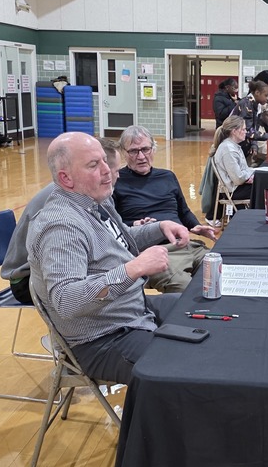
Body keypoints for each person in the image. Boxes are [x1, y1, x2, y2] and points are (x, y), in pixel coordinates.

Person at [27, 132, 189, 392]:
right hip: (101, 338)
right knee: (180, 368)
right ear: (65, 178)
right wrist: (133, 269)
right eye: (93, 165)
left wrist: (160, 227)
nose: (108, 171)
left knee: (195, 308)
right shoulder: (62, 226)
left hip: (127, 311)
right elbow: (66, 300)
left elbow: (115, 240)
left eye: (105, 161)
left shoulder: (93, 201)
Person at [1, 136, 123, 304]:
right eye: (95, 164)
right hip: (26, 278)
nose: (112, 173)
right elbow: (65, 293)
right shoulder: (60, 209)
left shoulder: (91, 191)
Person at [113, 126, 218, 292]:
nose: (141, 156)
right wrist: (134, 224)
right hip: (155, 252)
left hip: (186, 244)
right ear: (123, 153)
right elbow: (111, 227)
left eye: (145, 149)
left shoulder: (167, 176)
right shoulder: (115, 182)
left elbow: (183, 211)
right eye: (133, 151)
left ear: (153, 149)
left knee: (220, 273)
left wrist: (195, 226)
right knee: (187, 289)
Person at [211, 116, 254, 216]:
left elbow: (244, 171)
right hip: (233, 191)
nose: (246, 132)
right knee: (264, 188)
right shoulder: (228, 150)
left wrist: (250, 174)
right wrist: (250, 175)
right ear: (234, 131)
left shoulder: (233, 146)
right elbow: (238, 179)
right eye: (243, 129)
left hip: (237, 187)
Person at [232, 79, 268, 159]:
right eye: (266, 95)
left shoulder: (256, 106)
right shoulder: (246, 104)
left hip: (242, 143)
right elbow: (247, 130)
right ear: (257, 93)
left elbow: (254, 128)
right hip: (234, 143)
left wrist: (254, 145)